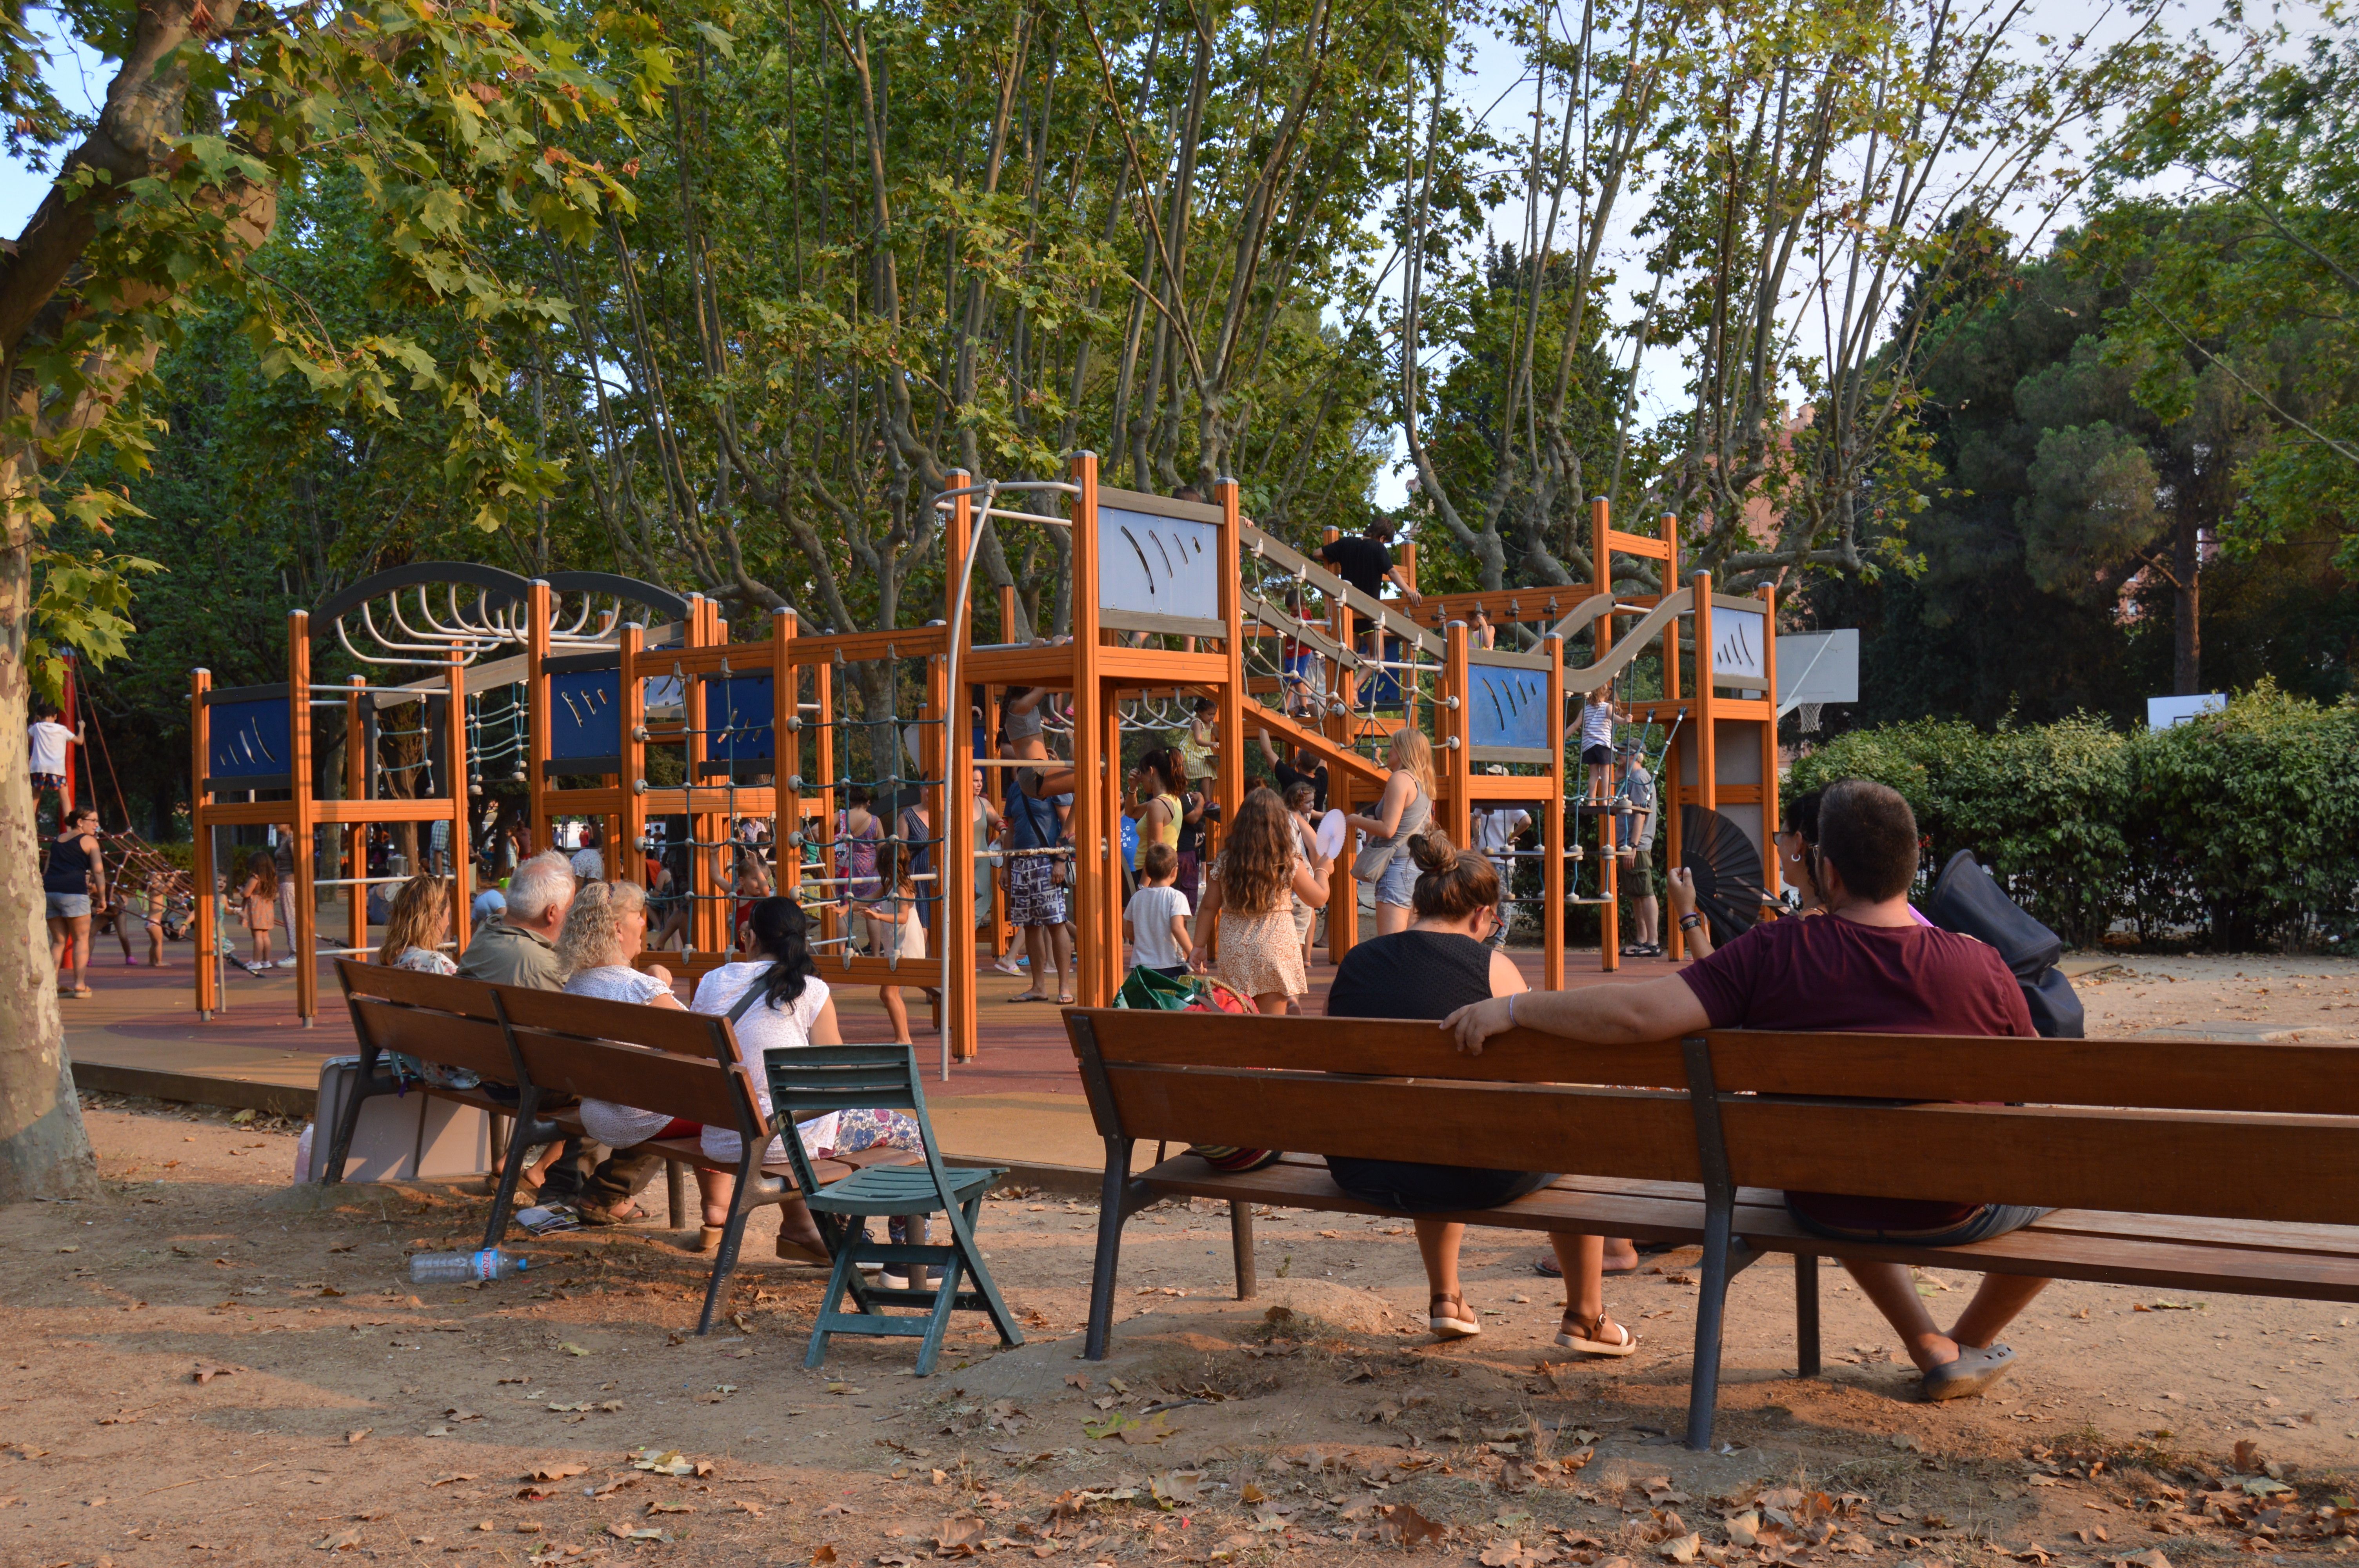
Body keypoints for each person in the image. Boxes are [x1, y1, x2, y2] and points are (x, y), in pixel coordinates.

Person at [1445, 779, 2048, 1401]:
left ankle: (1934, 1346)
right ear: (1911, 865)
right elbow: (2027, 1092)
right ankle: (1966, 1339)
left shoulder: (1775, 951)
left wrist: (1518, 1008)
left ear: (1828, 871)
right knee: (2066, 1179)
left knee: (1846, 1156)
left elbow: (1636, 1017)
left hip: (1820, 1195)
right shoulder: (1982, 965)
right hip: (1955, 1206)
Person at [1323, 830, 1635, 1352]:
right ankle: (1586, 1317)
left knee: (1425, 1126)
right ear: (1481, 915)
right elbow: (1543, 1087)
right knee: (1569, 1126)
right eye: (1494, 923)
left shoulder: (1358, 961)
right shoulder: (1493, 968)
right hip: (1469, 1175)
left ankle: (1447, 1298)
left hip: (1359, 1166)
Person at [690, 898, 929, 1272]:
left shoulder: (712, 982)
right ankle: (910, 1261)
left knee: (792, 1112)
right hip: (777, 1139)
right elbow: (835, 1077)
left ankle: (827, 1232)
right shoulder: (810, 990)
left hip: (722, 1135)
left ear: (750, 938)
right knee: (911, 1133)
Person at [555, 878, 738, 1245]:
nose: (646, 923)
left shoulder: (575, 985)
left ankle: (609, 1195)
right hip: (639, 1116)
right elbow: (705, 1046)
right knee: (728, 1104)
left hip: (598, 1111)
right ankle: (716, 1211)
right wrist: (657, 985)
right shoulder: (638, 989)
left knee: (690, 1097)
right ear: (618, 929)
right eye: (639, 916)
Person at [1193, 786, 1329, 1015]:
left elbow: (1208, 906)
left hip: (1235, 949)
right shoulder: (1286, 860)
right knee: (1270, 1026)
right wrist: (1323, 870)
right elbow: (1317, 898)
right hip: (1275, 948)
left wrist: (1198, 946)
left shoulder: (1226, 861)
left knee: (1239, 1015)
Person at [1342, 729, 1435, 937]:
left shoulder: (1399, 780)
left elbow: (1388, 829)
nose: (1389, 751)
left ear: (1403, 751)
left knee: (1391, 944)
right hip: (1416, 866)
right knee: (1413, 941)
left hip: (1397, 867)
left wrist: (1355, 820)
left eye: (1393, 746)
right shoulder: (1422, 782)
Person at [1004, 763, 1073, 1004]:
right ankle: (1038, 987)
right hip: (1021, 863)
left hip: (1047, 860)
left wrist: (1061, 859)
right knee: (1030, 925)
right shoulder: (1015, 789)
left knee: (1056, 923)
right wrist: (1006, 866)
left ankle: (1064, 987)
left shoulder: (1053, 783)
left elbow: (1069, 823)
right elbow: (1011, 831)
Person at [858, 840, 926, 1044]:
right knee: (888, 994)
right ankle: (903, 1037)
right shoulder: (889, 883)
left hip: (906, 946)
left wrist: (878, 917)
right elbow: (868, 898)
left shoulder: (902, 887)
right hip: (896, 946)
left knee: (888, 993)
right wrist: (846, 907)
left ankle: (904, 1038)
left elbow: (903, 917)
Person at [44, 804, 105, 997]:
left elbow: (47, 868)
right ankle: (79, 985)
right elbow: (98, 870)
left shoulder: (58, 840)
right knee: (81, 939)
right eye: (93, 821)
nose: (97, 825)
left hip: (50, 892)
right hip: (74, 893)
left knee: (58, 941)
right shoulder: (89, 841)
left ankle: (52, 984)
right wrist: (102, 898)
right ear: (80, 822)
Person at [1316, 515, 1423, 613]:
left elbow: (1317, 553)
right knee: (1375, 634)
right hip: (1370, 610)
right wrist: (1410, 592)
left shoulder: (1345, 543)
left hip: (1347, 608)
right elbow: (1391, 572)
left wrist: (1333, 559)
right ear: (1382, 538)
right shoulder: (1378, 548)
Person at [1470, 783, 1531, 952]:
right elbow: (1474, 816)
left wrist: (1512, 836)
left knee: (1502, 900)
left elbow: (1527, 821)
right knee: (1480, 898)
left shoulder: (1511, 804)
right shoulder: (1485, 802)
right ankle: (1480, 936)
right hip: (1484, 857)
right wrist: (1477, 837)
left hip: (1503, 859)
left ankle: (1500, 941)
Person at [1614, 747, 1661, 956]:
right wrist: (1618, 776)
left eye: (1622, 753)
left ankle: (1653, 942)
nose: (1618, 756)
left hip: (1637, 845)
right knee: (1636, 893)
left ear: (1634, 755)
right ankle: (1642, 940)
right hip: (1628, 843)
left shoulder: (1640, 777)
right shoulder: (1632, 777)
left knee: (1645, 891)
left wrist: (1633, 846)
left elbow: (1640, 813)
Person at [1124, 842, 1194, 979]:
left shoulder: (1137, 897)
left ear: (1147, 871)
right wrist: (1193, 953)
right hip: (1170, 964)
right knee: (1170, 1000)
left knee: (1145, 1000)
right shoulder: (1176, 897)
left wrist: (1145, 941)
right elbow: (1178, 928)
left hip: (1141, 965)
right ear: (1175, 871)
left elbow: (1128, 931)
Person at [1281, 780, 1330, 975]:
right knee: (1307, 909)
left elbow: (1319, 814)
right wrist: (1320, 869)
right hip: (1299, 864)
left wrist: (1329, 817)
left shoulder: (1300, 813)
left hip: (1289, 867)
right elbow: (1315, 844)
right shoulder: (1294, 816)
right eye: (1308, 802)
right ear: (1296, 802)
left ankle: (1305, 957)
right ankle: (1304, 957)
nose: (1312, 806)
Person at [1256, 728, 1328, 813]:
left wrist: (1263, 724)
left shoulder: (1291, 778)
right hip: (1315, 827)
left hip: (1293, 826)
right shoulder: (1322, 780)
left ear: (1299, 761)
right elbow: (1323, 758)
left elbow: (1267, 751)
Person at [27, 704, 82, 815]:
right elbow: (80, 741)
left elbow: (27, 743)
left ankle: (31, 825)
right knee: (65, 799)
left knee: (35, 798)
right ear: (56, 716)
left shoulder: (37, 727)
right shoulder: (62, 729)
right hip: (57, 768)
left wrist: (29, 730)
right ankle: (70, 828)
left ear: (38, 717)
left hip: (39, 767)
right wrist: (82, 728)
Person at [834, 787, 883, 906]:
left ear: (851, 802)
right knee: (871, 907)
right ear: (868, 802)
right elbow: (882, 847)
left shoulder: (842, 816)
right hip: (870, 868)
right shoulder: (875, 821)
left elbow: (815, 830)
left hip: (846, 867)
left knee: (844, 906)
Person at [112, 869, 167, 969]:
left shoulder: (152, 892)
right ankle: (159, 961)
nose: (162, 884)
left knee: (154, 943)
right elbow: (168, 888)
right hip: (154, 923)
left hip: (149, 922)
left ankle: (151, 961)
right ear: (153, 884)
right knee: (159, 943)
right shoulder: (156, 892)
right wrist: (175, 878)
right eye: (160, 881)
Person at [236, 849, 278, 968]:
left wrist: (241, 891)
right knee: (265, 936)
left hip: (256, 909)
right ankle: (266, 961)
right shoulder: (272, 878)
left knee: (257, 936)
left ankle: (256, 961)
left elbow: (246, 894)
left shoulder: (255, 878)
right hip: (267, 908)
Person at [1578, 690, 1619, 804]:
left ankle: (1591, 800)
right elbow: (1614, 718)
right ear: (1606, 694)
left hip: (1589, 746)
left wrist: (1562, 737)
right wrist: (1624, 721)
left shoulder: (1585, 710)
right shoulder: (1608, 707)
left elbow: (1575, 725)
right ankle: (1605, 800)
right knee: (1606, 774)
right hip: (1604, 745)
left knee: (1594, 774)